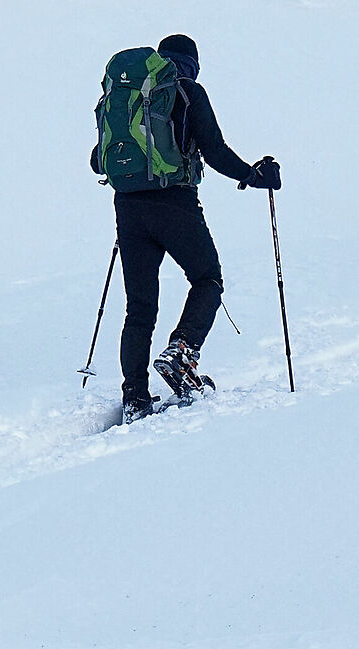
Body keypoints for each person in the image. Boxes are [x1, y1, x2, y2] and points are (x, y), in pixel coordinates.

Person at [90, 33, 279, 415]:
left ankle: (135, 397)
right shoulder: (188, 92)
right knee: (207, 279)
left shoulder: (126, 99)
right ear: (192, 63)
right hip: (175, 202)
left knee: (139, 307)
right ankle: (182, 352)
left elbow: (99, 161)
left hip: (128, 207)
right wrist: (254, 176)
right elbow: (214, 150)